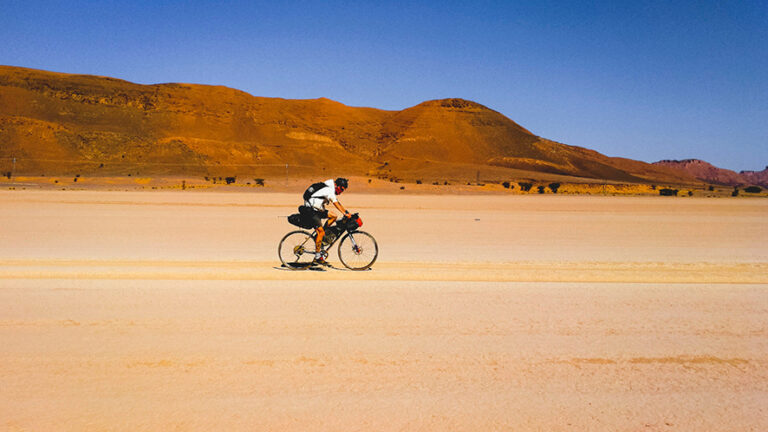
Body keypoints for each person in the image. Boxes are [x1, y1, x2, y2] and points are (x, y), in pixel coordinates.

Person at [301, 177, 350, 266]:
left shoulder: (329, 188)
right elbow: (335, 203)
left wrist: (346, 212)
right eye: (341, 189)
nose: (341, 192)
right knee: (321, 232)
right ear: (337, 185)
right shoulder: (329, 190)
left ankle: (320, 235)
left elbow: (338, 202)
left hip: (317, 209)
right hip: (311, 210)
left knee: (334, 216)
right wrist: (344, 213)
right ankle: (317, 257)